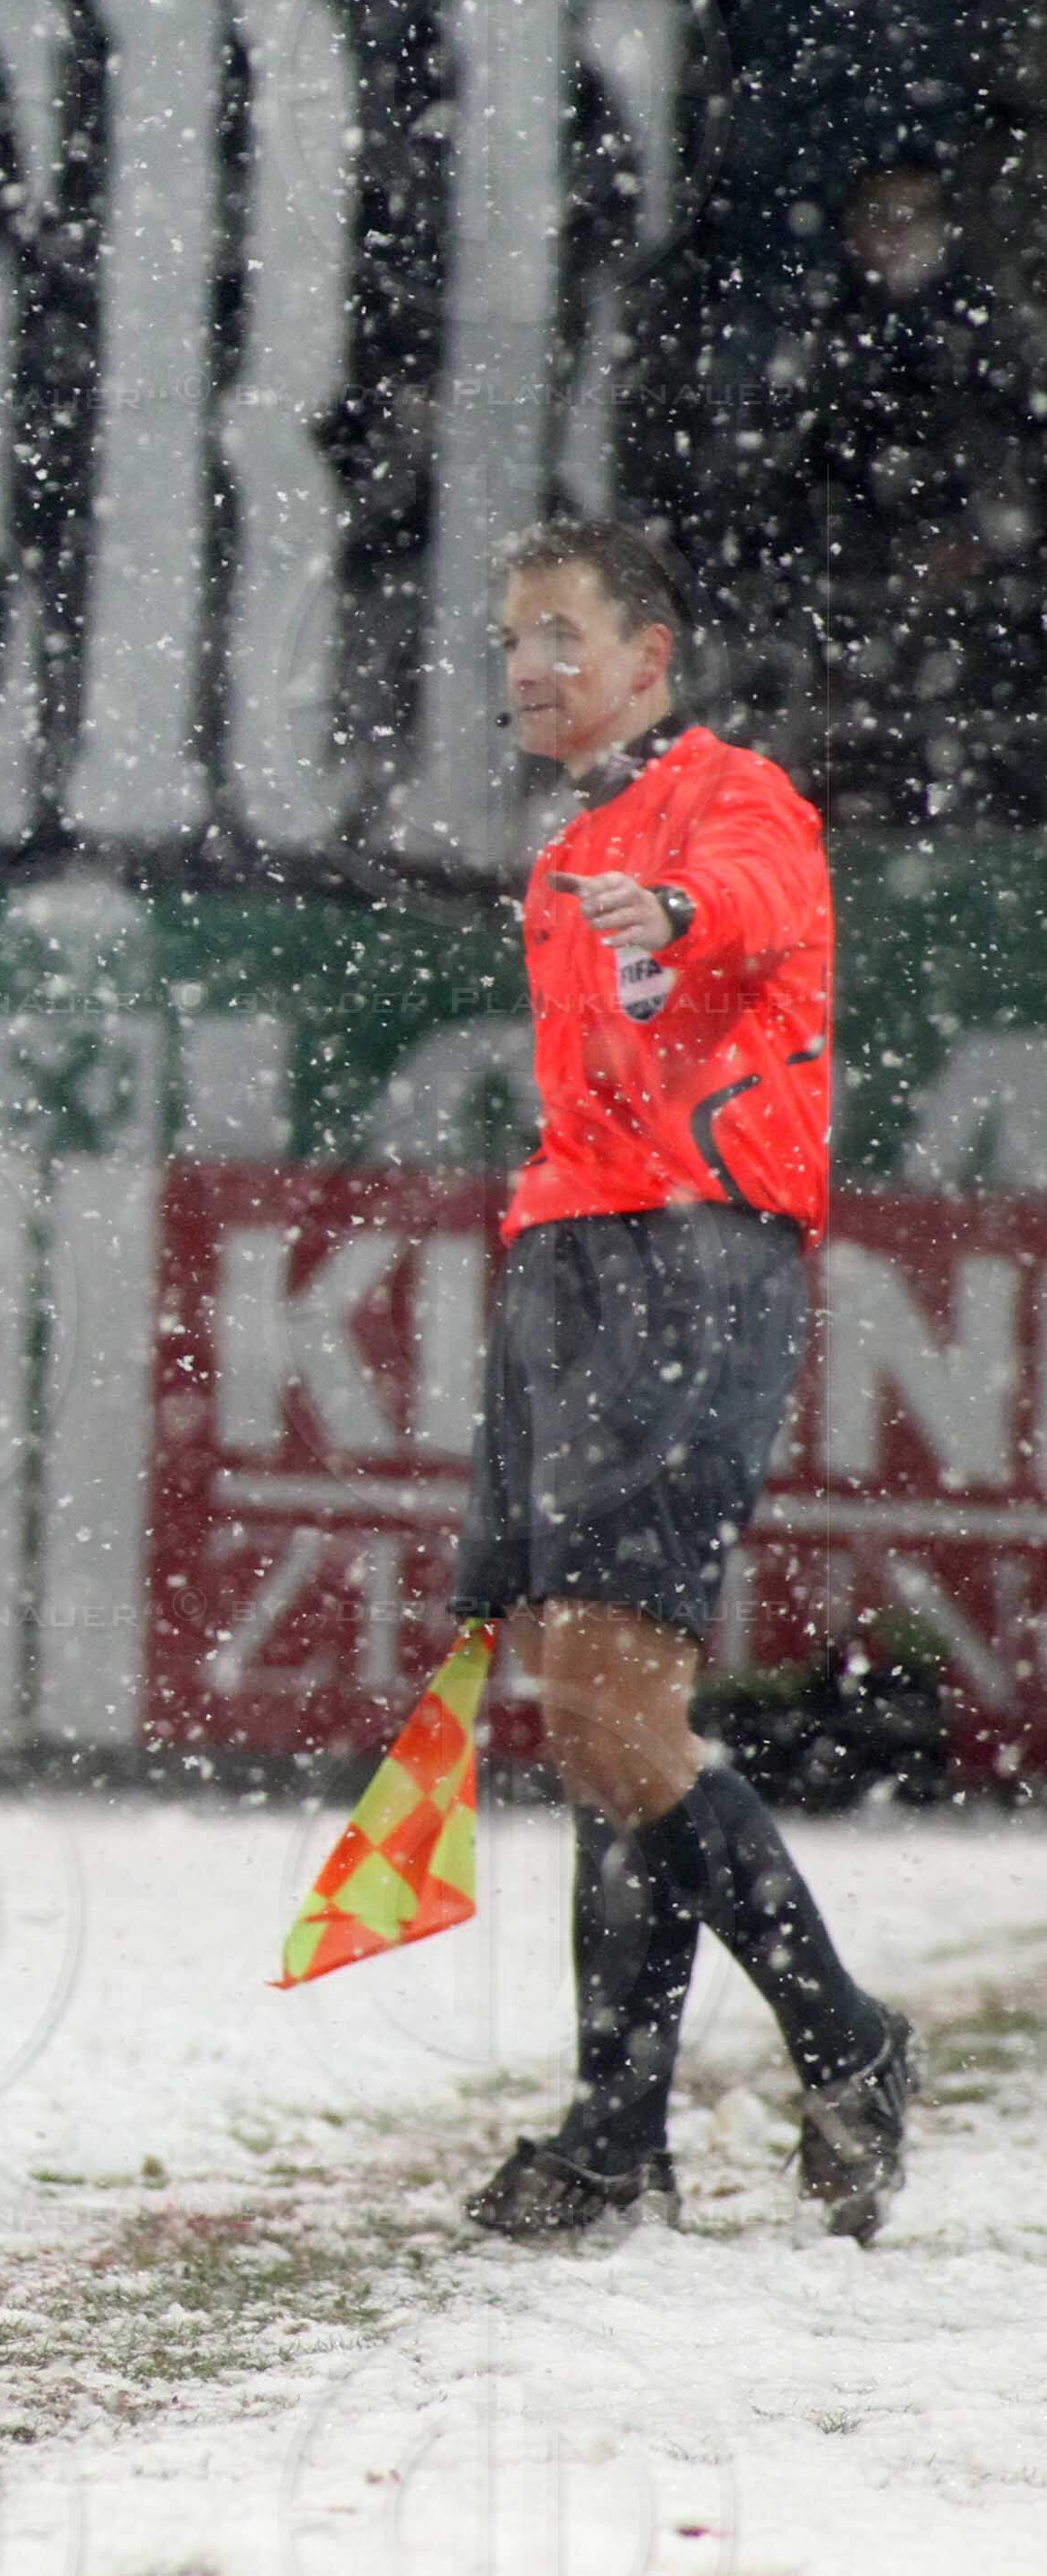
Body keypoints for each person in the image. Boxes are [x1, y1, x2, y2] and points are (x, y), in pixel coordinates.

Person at [455, 517, 910, 2243]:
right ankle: (617, 2133)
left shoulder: (728, 793)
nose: (530, 667)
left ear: (652, 656)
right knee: (595, 1716)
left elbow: (754, 903)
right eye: (514, 639)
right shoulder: (575, 837)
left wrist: (680, 903)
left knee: (612, 1718)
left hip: (690, 1253)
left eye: (562, 634)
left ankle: (837, 2041)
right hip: (584, 1257)